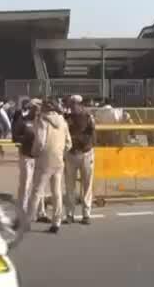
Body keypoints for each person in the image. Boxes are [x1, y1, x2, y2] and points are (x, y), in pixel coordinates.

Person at [26, 99, 72, 234]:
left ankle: (27, 221)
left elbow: (40, 142)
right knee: (57, 192)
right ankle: (56, 222)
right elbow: (69, 143)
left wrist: (34, 153)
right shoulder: (62, 121)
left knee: (37, 191)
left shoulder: (42, 120)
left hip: (44, 160)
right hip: (58, 160)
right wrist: (61, 152)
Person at [64, 94, 96, 225]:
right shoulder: (66, 118)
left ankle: (86, 214)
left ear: (80, 104)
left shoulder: (88, 117)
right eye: (71, 103)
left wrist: (83, 143)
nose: (72, 106)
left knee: (87, 185)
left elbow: (93, 134)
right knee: (69, 186)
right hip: (71, 154)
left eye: (74, 103)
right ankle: (69, 214)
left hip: (85, 153)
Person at [11, 98, 44, 217]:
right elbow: (15, 138)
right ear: (31, 108)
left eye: (39, 108)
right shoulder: (23, 121)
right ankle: (22, 211)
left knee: (39, 186)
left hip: (40, 158)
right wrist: (26, 139)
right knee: (25, 185)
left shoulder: (42, 122)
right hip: (26, 157)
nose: (37, 110)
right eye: (35, 108)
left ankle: (40, 212)